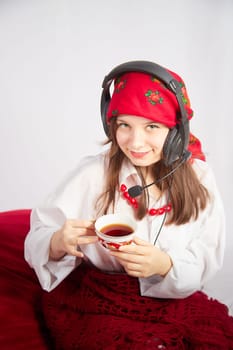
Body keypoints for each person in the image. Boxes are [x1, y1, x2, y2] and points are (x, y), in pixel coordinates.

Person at [24, 60, 233, 349]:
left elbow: (207, 256)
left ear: (176, 131)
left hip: (170, 300)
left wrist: (164, 265)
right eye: (124, 125)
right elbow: (37, 236)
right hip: (98, 297)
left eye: (151, 126)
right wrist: (57, 241)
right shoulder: (92, 173)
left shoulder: (200, 177)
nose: (136, 141)